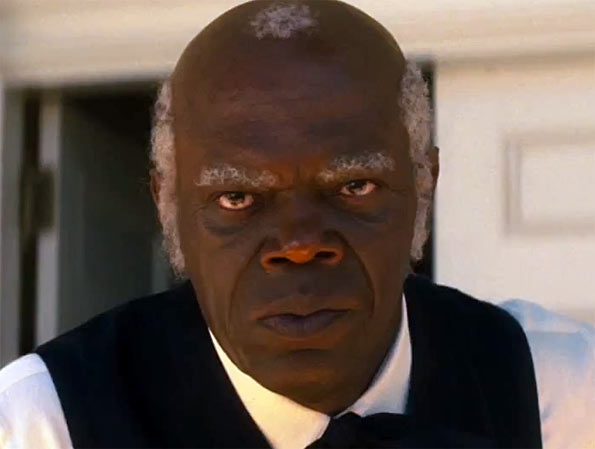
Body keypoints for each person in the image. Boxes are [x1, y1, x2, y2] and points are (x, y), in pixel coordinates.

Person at [1, 1, 594, 448]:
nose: (300, 244)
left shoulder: (559, 391)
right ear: (168, 207)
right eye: (238, 197)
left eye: (353, 186)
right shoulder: (40, 424)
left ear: (424, 186)